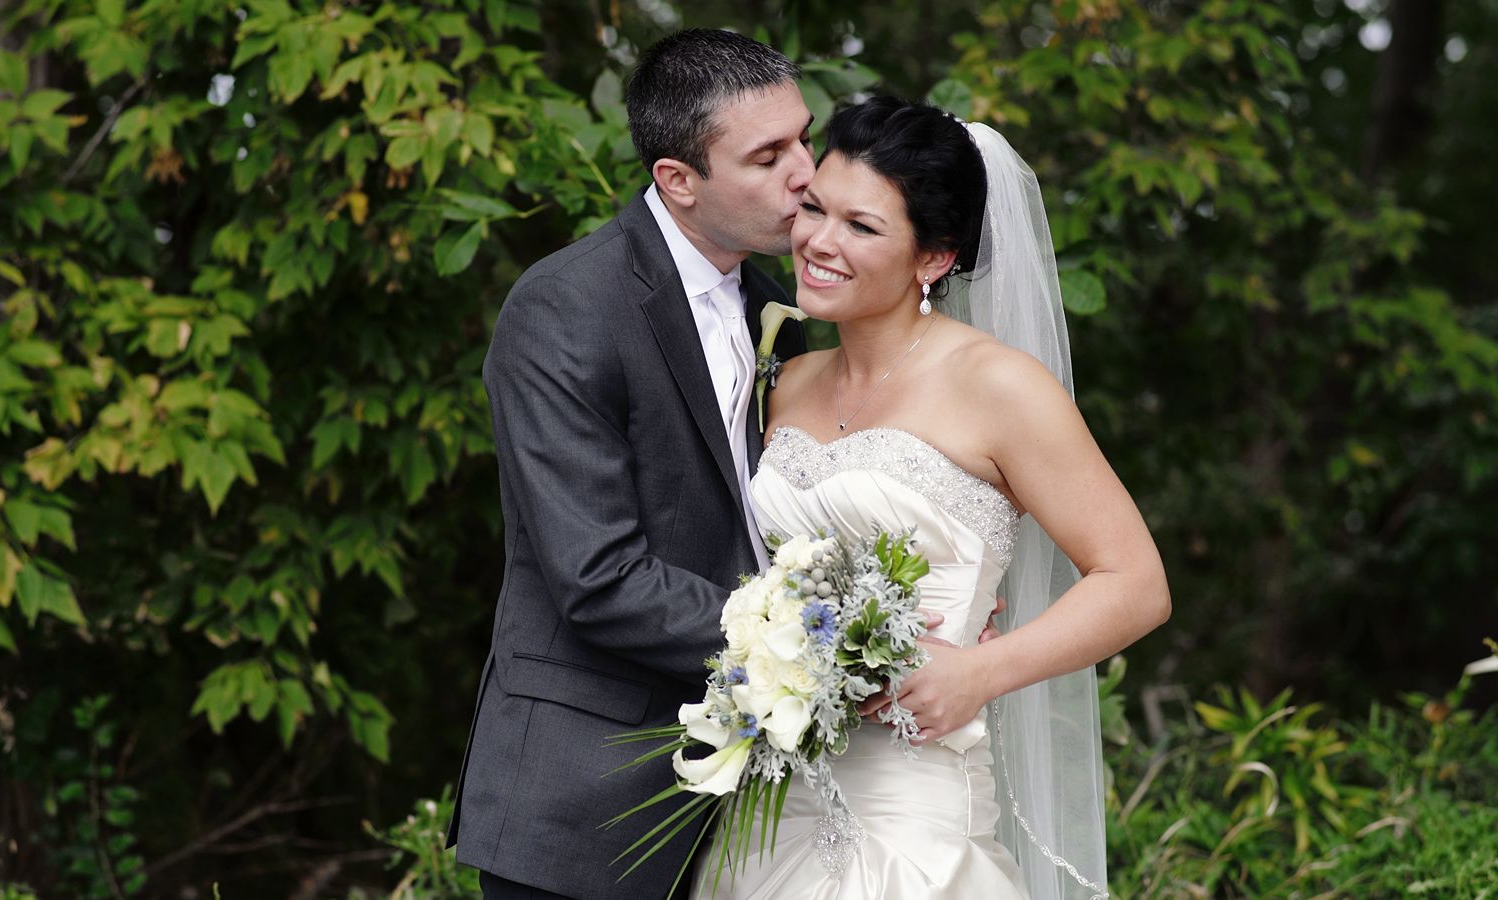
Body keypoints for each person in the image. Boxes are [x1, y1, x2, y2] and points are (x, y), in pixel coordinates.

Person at [695, 97, 1171, 898]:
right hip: (773, 806)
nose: (819, 242)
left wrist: (981, 672)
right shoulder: (790, 380)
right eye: (814, 208)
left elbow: (1136, 582)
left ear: (934, 260)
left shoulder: (999, 386)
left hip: (914, 806)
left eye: (863, 227)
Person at [448, 30, 816, 900]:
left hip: (752, 809)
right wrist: (812, 644)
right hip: (585, 799)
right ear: (677, 181)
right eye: (768, 156)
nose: (805, 172)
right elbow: (598, 576)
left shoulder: (780, 308)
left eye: (805, 137)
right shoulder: (565, 308)